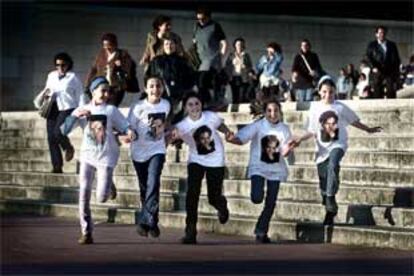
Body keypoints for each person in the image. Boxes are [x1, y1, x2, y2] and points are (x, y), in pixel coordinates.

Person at [291, 76, 382, 226]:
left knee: (333, 165)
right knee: (324, 184)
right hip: (321, 150)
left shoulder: (340, 107)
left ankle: (331, 197)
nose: (328, 95)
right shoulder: (315, 108)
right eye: (325, 92)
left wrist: (368, 129)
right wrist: (300, 139)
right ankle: (330, 209)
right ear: (320, 92)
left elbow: (354, 121)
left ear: (335, 92)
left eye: (331, 92)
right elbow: (312, 131)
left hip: (338, 145)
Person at [62, 77, 136, 244]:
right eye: (102, 90)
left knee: (101, 197)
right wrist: (75, 116)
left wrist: (129, 132)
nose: (105, 94)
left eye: (107, 91)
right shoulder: (83, 109)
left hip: (106, 156)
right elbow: (64, 130)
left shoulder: (111, 110)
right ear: (93, 92)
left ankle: (109, 185)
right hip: (87, 156)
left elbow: (125, 126)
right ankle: (86, 231)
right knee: (84, 193)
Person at [226, 99, 294, 243]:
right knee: (257, 197)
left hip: (276, 170)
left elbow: (286, 150)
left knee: (271, 202)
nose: (273, 113)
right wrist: (232, 139)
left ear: (280, 112)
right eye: (269, 110)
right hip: (258, 168)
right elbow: (242, 138)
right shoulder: (258, 125)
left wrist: (287, 151)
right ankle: (260, 221)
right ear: (265, 112)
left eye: (276, 110)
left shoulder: (284, 129)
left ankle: (261, 231)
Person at [170, 92, 231, 244]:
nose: (194, 107)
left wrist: (228, 132)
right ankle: (190, 231)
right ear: (185, 108)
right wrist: (171, 139)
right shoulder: (182, 125)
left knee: (213, 197)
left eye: (197, 103)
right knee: (192, 194)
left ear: (201, 105)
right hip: (196, 160)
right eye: (190, 104)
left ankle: (221, 204)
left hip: (215, 159)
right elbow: (172, 136)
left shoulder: (210, 116)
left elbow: (221, 125)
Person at [126, 75, 171, 238]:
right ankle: (152, 221)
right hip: (138, 152)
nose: (155, 89)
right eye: (151, 86)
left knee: (153, 182)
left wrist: (168, 135)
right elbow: (128, 125)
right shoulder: (138, 107)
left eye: (158, 86)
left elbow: (166, 124)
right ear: (146, 89)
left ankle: (145, 222)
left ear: (162, 88)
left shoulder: (166, 105)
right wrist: (129, 132)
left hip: (157, 150)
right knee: (145, 188)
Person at [34, 52, 83, 173]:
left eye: (63, 65)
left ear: (68, 65)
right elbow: (47, 88)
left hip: (67, 108)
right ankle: (57, 166)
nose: (60, 67)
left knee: (58, 132)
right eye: (57, 65)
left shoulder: (73, 77)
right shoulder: (51, 75)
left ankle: (68, 147)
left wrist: (81, 109)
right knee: (51, 138)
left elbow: (80, 94)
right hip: (52, 108)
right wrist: (45, 95)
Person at [146, 34, 196, 123]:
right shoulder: (156, 61)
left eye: (171, 43)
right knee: (161, 122)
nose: (169, 46)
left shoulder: (183, 61)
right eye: (166, 44)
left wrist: (184, 92)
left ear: (176, 45)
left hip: (179, 99)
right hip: (161, 97)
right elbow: (149, 78)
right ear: (163, 46)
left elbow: (190, 79)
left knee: (177, 123)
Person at [85, 32, 137, 107]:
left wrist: (121, 65)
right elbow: (93, 69)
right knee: (101, 105)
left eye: (109, 45)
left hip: (116, 87)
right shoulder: (101, 54)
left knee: (111, 106)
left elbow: (129, 70)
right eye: (104, 45)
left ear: (115, 44)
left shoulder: (123, 54)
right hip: (102, 85)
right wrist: (87, 83)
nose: (107, 48)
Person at [193, 7, 227, 107]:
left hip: (212, 58)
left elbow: (224, 42)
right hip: (199, 59)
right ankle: (208, 102)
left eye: (203, 19)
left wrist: (221, 57)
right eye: (198, 19)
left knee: (202, 81)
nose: (201, 21)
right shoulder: (196, 26)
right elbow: (194, 41)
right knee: (201, 84)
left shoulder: (215, 26)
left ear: (208, 17)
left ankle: (210, 102)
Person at [366, 26, 401, 99]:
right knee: (377, 90)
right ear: (376, 34)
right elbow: (368, 58)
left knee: (391, 90)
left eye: (383, 33)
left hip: (389, 71)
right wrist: (373, 67)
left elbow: (396, 59)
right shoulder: (372, 45)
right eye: (380, 33)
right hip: (377, 70)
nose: (382, 34)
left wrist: (396, 71)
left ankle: (391, 107)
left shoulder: (391, 45)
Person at [224, 37, 254, 103]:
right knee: (235, 96)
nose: (239, 46)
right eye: (237, 45)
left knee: (243, 95)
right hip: (234, 77)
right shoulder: (231, 55)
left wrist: (244, 66)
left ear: (243, 46)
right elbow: (227, 66)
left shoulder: (246, 55)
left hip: (243, 77)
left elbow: (250, 67)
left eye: (240, 44)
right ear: (235, 46)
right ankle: (235, 111)